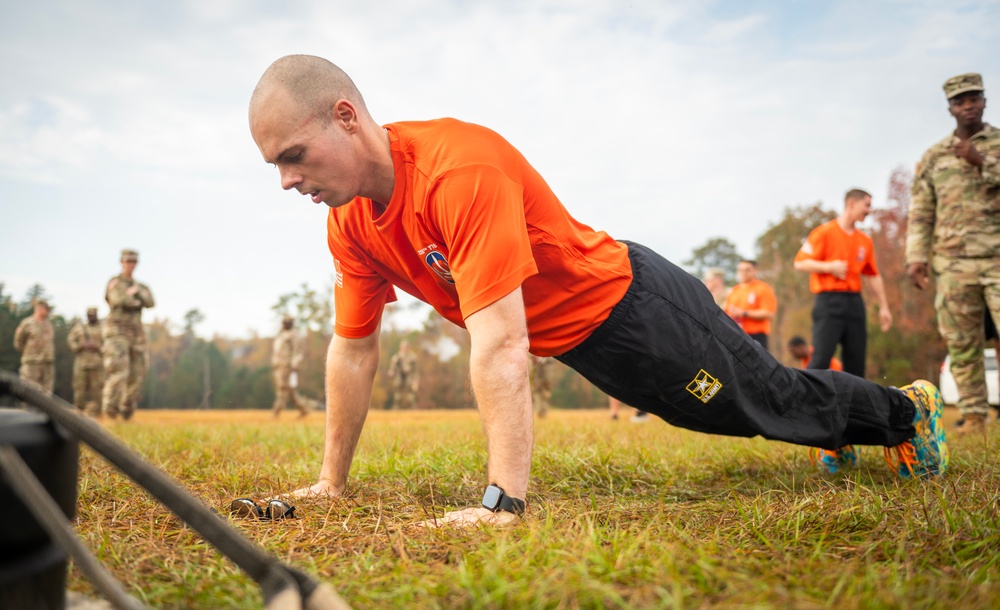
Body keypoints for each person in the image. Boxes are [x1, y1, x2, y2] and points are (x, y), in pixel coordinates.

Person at [248, 55, 948, 526]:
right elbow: (354, 351)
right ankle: (844, 429)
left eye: (293, 157)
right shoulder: (349, 225)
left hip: (637, 309)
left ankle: (907, 413)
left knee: (762, 401)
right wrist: (329, 484)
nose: (286, 182)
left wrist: (502, 505)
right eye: (273, 166)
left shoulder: (456, 171)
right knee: (741, 408)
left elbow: (501, 344)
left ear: (345, 117)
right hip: (588, 341)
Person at [907, 72, 1000, 436]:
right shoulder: (934, 157)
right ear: (950, 108)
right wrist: (916, 257)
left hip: (996, 258)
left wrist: (982, 161)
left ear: (984, 101)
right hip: (952, 263)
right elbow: (921, 211)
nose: (968, 106)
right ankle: (975, 415)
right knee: (961, 342)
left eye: (974, 98)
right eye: (960, 101)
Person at [793, 189, 892, 377]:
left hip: (855, 304)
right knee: (820, 359)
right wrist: (829, 267)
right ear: (851, 204)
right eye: (867, 205)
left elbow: (873, 275)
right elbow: (800, 262)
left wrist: (884, 307)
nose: (869, 210)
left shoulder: (865, 241)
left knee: (856, 362)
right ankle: (807, 404)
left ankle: (854, 406)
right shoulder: (824, 233)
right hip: (829, 303)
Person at [102, 249, 155, 420]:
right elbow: (117, 300)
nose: (131, 265)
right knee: (120, 371)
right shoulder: (115, 282)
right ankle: (110, 411)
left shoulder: (140, 286)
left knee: (138, 373)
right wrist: (132, 298)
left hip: (136, 334)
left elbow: (150, 302)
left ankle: (127, 411)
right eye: (128, 261)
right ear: (122, 262)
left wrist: (136, 294)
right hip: (117, 332)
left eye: (134, 262)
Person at [724, 260, 777, 349]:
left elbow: (769, 313)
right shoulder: (733, 291)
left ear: (755, 271)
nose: (743, 273)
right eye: (740, 270)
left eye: (747, 270)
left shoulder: (763, 288)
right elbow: (727, 312)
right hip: (737, 335)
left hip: (756, 335)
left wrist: (744, 313)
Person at [272, 314, 311, 418]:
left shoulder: (295, 335)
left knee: (283, 389)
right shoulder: (281, 334)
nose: (285, 324)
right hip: (279, 366)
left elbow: (298, 352)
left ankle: (276, 413)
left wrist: (295, 364)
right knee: (290, 391)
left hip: (287, 366)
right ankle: (304, 409)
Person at [67, 306, 104, 415]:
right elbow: (70, 341)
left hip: (97, 364)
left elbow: (109, 345)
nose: (91, 317)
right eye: (89, 315)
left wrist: (97, 347)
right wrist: (79, 346)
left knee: (97, 390)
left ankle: (98, 413)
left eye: (93, 315)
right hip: (81, 364)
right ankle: (79, 412)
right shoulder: (79, 328)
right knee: (80, 389)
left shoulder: (103, 329)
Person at [13, 299, 55, 395]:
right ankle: (28, 408)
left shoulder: (48, 324)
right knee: (29, 387)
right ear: (39, 309)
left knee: (46, 390)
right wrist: (29, 353)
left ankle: (45, 408)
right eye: (46, 310)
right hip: (31, 361)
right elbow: (19, 342)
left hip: (47, 361)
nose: (48, 312)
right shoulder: (27, 323)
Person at [386, 340, 419, 410]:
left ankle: (412, 408)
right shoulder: (397, 356)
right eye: (403, 347)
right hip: (399, 374)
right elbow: (393, 366)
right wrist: (391, 371)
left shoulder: (412, 356)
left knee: (411, 391)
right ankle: (396, 407)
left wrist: (415, 380)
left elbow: (415, 370)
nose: (404, 348)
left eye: (406, 347)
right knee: (397, 391)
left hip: (409, 375)